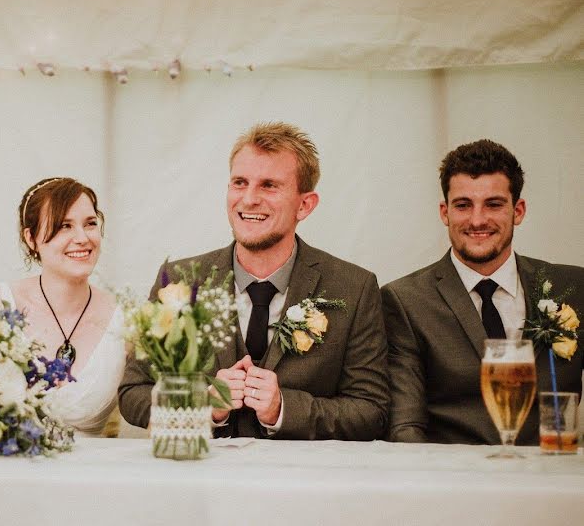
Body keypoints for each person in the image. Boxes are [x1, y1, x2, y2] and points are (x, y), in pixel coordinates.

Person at [118, 122, 389, 440]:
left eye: (269, 185)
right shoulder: (179, 282)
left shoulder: (353, 288)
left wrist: (283, 408)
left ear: (305, 204)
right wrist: (202, 406)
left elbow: (372, 410)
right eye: (240, 182)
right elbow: (134, 392)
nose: (248, 199)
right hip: (201, 482)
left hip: (303, 483)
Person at [384, 140, 583, 445]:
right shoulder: (405, 300)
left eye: (493, 204)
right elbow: (405, 426)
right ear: (444, 212)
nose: (477, 220)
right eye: (463, 205)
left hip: (555, 476)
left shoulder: (572, 288)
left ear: (518, 210)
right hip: (460, 482)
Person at [0, 177, 125, 436]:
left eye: (90, 224)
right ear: (31, 238)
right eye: (64, 226)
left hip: (93, 473)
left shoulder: (124, 319)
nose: (82, 238)